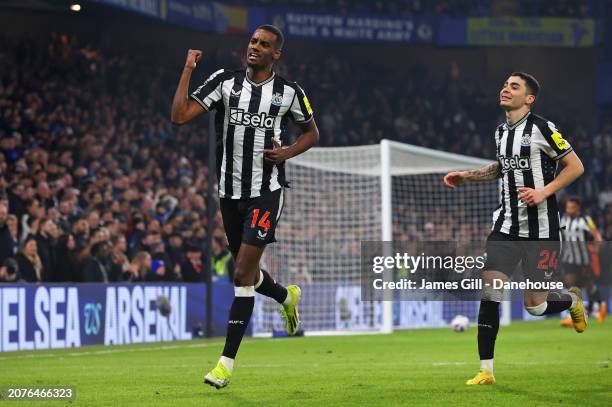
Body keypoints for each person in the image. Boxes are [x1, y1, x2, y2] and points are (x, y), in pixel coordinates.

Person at [171, 24, 319, 389]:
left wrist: (285, 153)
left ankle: (225, 364)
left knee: (240, 276)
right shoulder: (226, 82)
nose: (255, 47)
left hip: (266, 191)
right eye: (253, 41)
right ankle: (286, 296)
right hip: (230, 193)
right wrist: (188, 69)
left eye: (264, 44)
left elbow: (312, 133)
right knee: (247, 273)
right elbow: (179, 115)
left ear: (276, 54)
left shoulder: (288, 93)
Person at [443, 72, 587, 385]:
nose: (506, 89)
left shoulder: (543, 128)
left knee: (535, 306)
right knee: (490, 292)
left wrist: (544, 192)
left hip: (542, 230)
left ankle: (572, 300)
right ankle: (486, 371)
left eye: (515, 86)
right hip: (505, 226)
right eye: (506, 84)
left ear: (529, 98)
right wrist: (467, 175)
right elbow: (501, 168)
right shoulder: (500, 132)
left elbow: (575, 166)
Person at [559, 197, 605, 325]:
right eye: (568, 207)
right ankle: (575, 314)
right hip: (569, 259)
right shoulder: (563, 219)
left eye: (572, 208)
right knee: (569, 283)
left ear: (578, 208)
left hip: (584, 259)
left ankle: (598, 307)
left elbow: (597, 236)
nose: (569, 210)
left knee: (588, 284)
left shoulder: (586, 220)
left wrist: (596, 249)